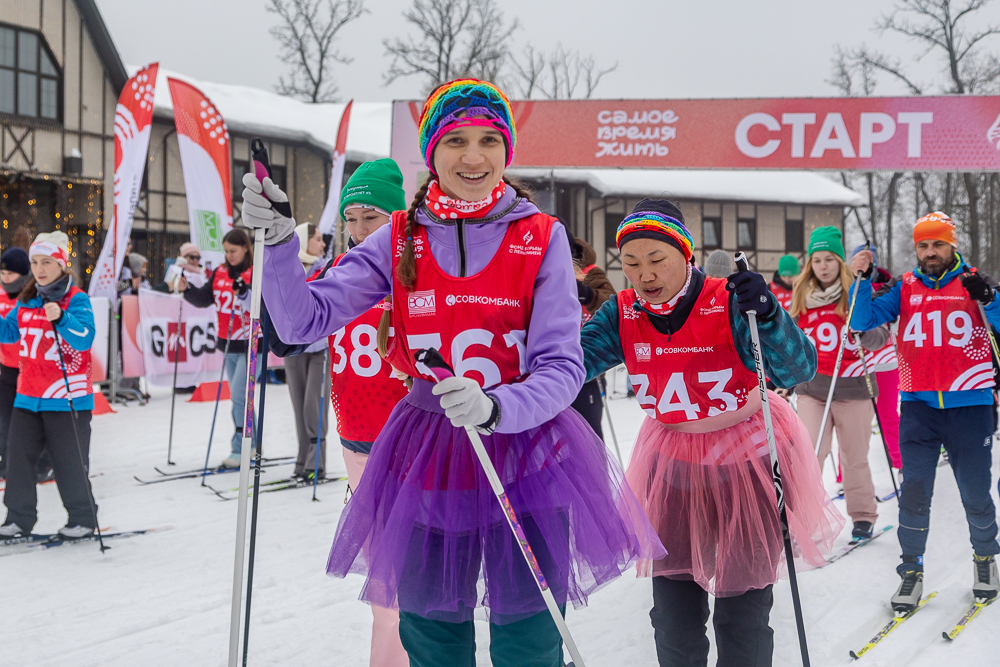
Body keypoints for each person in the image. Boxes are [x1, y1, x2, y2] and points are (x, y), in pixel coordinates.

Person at [242, 78, 662, 667]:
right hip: (429, 451)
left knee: (531, 637)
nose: (473, 156)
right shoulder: (400, 236)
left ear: (507, 151)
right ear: (432, 151)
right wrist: (281, 242)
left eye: (490, 140)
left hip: (526, 448)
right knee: (432, 633)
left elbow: (563, 366)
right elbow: (302, 321)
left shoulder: (540, 237)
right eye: (456, 140)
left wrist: (497, 407)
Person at [580, 202, 842, 667]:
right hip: (673, 460)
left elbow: (798, 367)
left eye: (657, 259)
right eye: (632, 263)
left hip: (748, 458)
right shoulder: (622, 314)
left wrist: (767, 313)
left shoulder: (729, 299)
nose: (644, 275)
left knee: (742, 617)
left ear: (686, 253)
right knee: (674, 618)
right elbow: (568, 367)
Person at [850, 211, 1000, 611]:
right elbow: (862, 321)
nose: (930, 252)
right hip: (918, 406)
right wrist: (861, 281)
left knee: (975, 492)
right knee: (914, 492)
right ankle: (911, 570)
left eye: (937, 244)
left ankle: (985, 558)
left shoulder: (973, 281)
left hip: (971, 404)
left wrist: (989, 298)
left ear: (952, 245)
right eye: (923, 245)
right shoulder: (905, 287)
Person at [790, 226, 889, 542]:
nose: (823, 266)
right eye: (817, 260)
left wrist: (864, 333)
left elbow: (880, 336)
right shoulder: (802, 295)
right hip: (812, 389)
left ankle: (862, 515)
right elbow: (791, 338)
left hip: (854, 389)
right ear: (810, 264)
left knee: (854, 457)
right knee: (809, 454)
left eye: (829, 259)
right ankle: (802, 518)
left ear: (840, 261)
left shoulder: (858, 290)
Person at [0, 232, 99, 539]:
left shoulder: (76, 298)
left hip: (66, 397)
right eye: (34, 262)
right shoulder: (27, 299)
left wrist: (64, 319)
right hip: (28, 396)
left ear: (61, 264)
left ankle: (82, 519)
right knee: (18, 461)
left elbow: (85, 339)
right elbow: (8, 333)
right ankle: (18, 519)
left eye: (46, 262)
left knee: (69, 463)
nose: (40, 269)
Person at [178, 230, 257, 469]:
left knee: (239, 395)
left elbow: (264, 303)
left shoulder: (255, 271)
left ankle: (239, 447)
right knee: (244, 398)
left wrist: (245, 291)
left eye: (233, 251)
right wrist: (187, 289)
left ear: (245, 248)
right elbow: (205, 299)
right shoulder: (220, 272)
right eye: (226, 251)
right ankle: (253, 443)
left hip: (251, 343)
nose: (229, 255)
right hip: (228, 343)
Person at [283, 222, 332, 482]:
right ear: (303, 241)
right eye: (317, 239)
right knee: (299, 406)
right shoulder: (290, 268)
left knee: (314, 406)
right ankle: (302, 461)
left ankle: (316, 464)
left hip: (320, 348)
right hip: (294, 349)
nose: (322, 245)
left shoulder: (325, 268)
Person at [850, 244, 902, 472]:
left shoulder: (887, 287)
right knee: (856, 422)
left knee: (888, 416)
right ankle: (847, 475)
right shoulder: (848, 286)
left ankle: (901, 465)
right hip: (859, 362)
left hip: (886, 361)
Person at [571, 236, 614, 439]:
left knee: (589, 435)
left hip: (588, 368)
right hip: (549, 368)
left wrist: (588, 294)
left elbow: (611, 303)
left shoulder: (591, 272)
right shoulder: (543, 271)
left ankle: (594, 471)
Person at [0, 247, 31, 479]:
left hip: (30, 368)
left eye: (9, 274)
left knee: (31, 422)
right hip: (7, 367)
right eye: (2, 273)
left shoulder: (30, 294)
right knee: (4, 420)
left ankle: (41, 461)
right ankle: (6, 462)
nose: (5, 278)